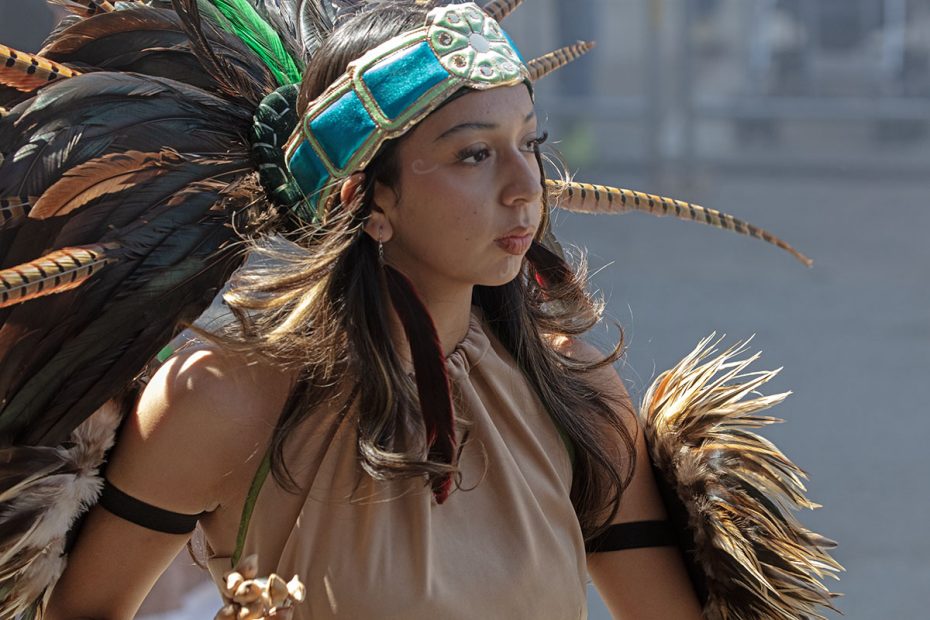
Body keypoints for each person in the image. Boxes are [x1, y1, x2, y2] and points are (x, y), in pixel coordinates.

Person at [0, 1, 838, 618]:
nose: (524, 188)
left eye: (529, 144)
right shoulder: (225, 392)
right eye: (474, 154)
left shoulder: (571, 384)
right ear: (370, 195)